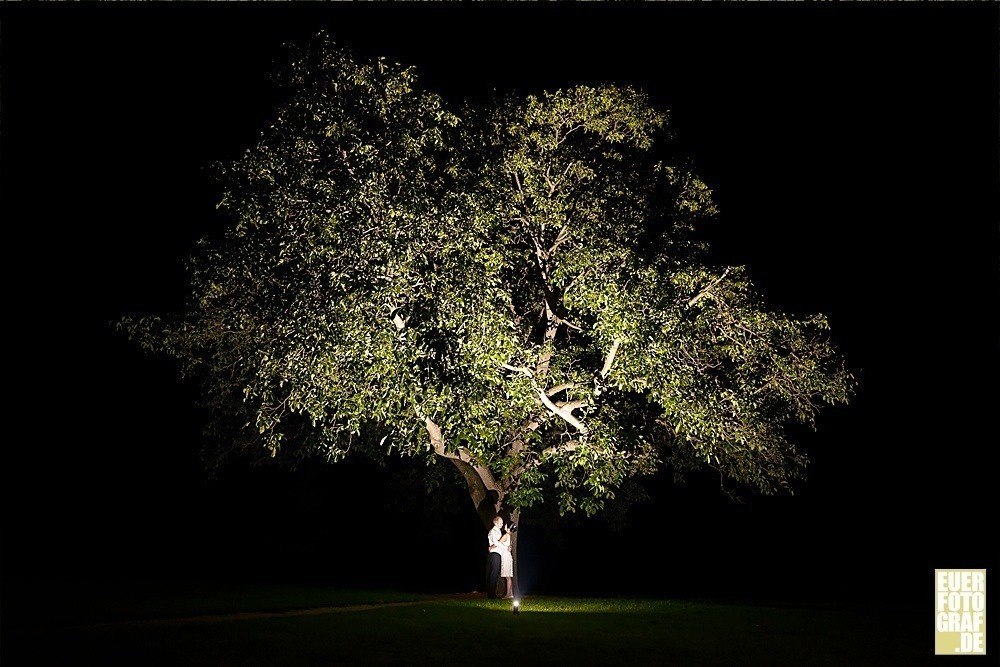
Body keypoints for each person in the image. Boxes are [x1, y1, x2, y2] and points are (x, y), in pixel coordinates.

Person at [487, 515, 514, 599]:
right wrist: (506, 547)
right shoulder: (493, 531)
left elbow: (499, 543)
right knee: (494, 573)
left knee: (495, 574)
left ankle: (493, 593)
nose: (502, 524)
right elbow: (497, 542)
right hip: (495, 554)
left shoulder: (499, 531)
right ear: (495, 522)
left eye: (502, 523)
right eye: (500, 523)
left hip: (498, 554)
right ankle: (491, 594)